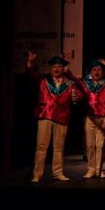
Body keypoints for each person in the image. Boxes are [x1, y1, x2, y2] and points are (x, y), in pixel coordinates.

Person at [27, 53, 82, 182]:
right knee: (41, 147)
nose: (57, 69)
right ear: (51, 69)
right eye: (54, 67)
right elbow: (31, 74)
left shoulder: (69, 83)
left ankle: (58, 173)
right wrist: (30, 64)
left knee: (59, 147)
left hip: (62, 117)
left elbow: (79, 94)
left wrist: (77, 96)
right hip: (45, 115)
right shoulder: (43, 80)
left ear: (63, 69)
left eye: (59, 67)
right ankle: (37, 174)